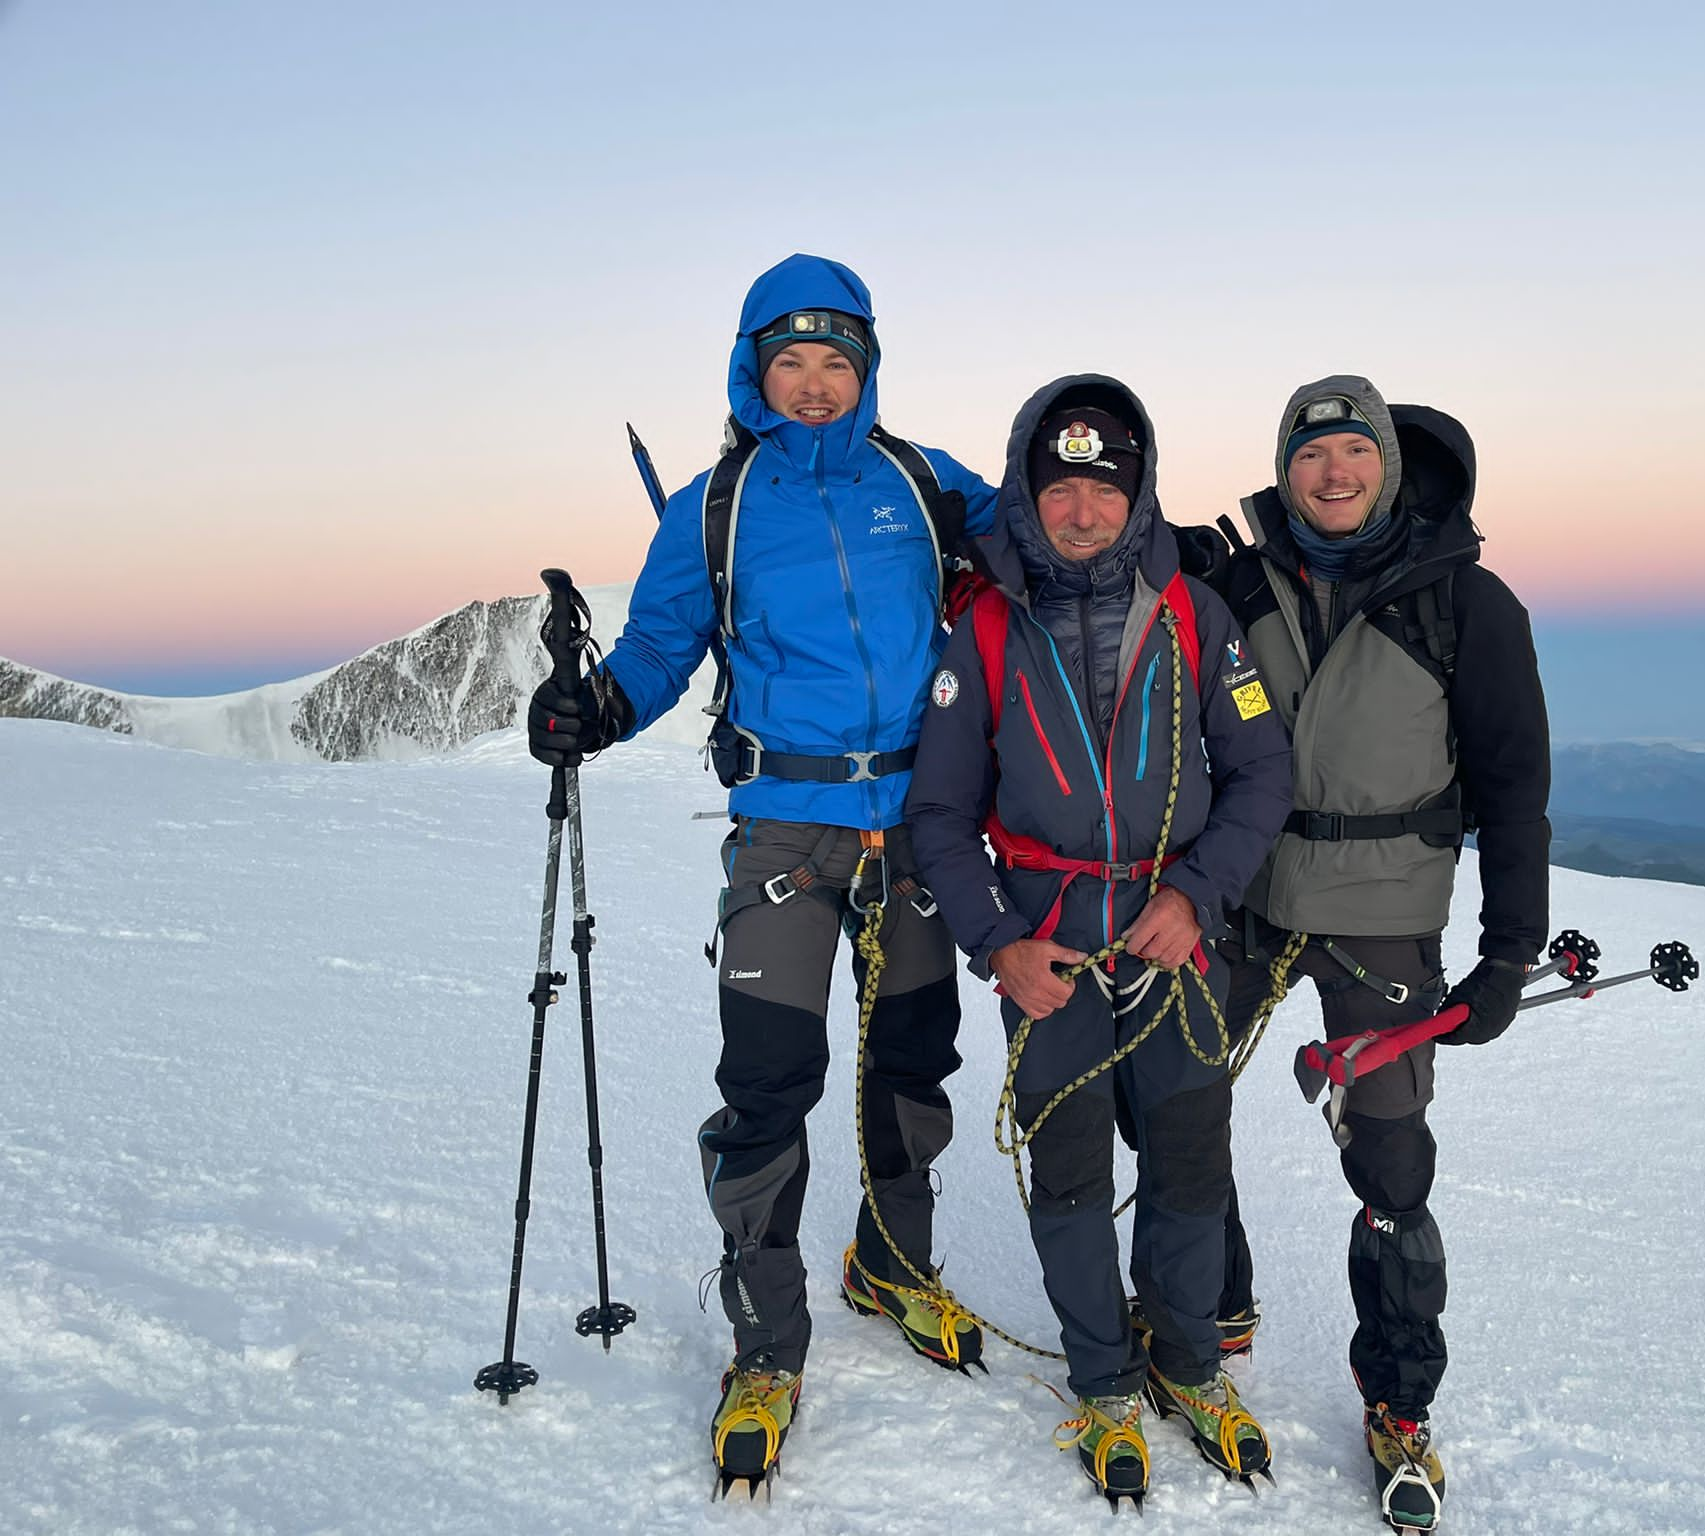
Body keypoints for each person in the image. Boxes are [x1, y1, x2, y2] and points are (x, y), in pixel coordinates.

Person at [525, 254, 998, 1493]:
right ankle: (764, 1340)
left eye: (833, 362)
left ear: (867, 369)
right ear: (750, 369)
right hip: (784, 831)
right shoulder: (713, 504)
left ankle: (892, 1265)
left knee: (911, 1060)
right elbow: (659, 645)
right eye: (786, 362)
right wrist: (595, 705)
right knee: (768, 1076)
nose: (810, 384)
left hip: (921, 824)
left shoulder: (924, 481)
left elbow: (1050, 551)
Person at [905, 376, 1293, 1505]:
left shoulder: (1191, 614)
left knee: (1185, 1162)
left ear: (1139, 497)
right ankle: (1105, 1381)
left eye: (1102, 489)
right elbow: (935, 813)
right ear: (1027, 495)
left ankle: (1187, 1363)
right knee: (1069, 1177)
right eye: (1059, 487)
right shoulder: (980, 624)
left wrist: (1199, 897)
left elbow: (1261, 770)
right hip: (1048, 947)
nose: (1081, 510)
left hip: (1173, 945)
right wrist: (997, 945)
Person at [1208, 375, 1550, 1530]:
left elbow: (1511, 790)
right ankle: (1215, 1301)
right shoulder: (1231, 580)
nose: (1333, 471)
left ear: (1389, 468)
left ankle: (1399, 1398)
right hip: (1241, 896)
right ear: (1283, 467)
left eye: (1355, 451)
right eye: (1311, 453)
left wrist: (1508, 949)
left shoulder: (1466, 603)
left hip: (1381, 912)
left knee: (1390, 1165)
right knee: (1173, 1096)